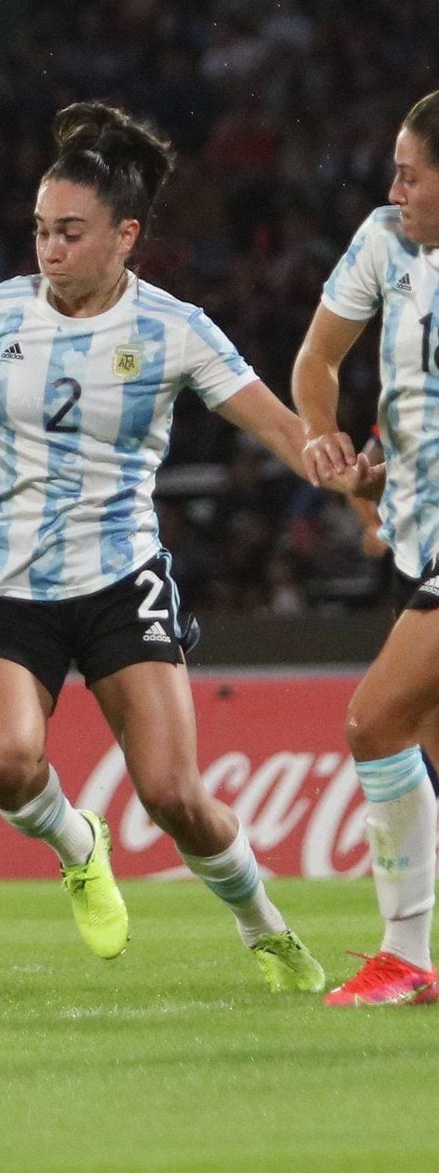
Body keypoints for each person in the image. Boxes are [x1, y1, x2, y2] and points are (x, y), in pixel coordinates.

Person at [0, 104, 332, 992]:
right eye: (39, 232)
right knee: (5, 764)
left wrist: (330, 460)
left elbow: (275, 427)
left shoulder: (174, 329)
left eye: (69, 233)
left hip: (118, 577)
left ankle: (265, 928)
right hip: (6, 578)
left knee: (174, 795)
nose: (48, 251)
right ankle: (76, 843)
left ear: (124, 236)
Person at [291, 89, 439, 1006]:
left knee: (372, 719)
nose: (395, 187)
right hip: (415, 539)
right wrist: (328, 438)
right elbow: (318, 360)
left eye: (412, 173)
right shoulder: (384, 241)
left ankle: (405, 954)